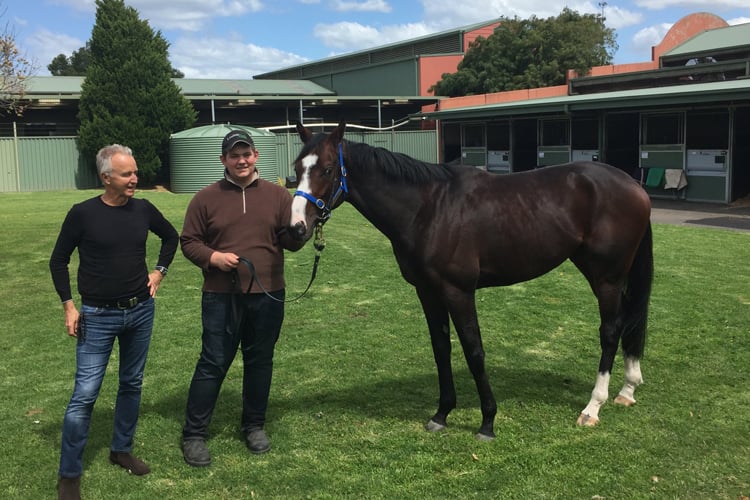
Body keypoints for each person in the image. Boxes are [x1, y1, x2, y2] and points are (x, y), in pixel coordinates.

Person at [50, 145, 178, 500]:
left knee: (131, 382)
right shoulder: (82, 214)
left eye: (135, 172)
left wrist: (159, 273)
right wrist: (69, 307)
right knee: (85, 394)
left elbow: (171, 237)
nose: (135, 179)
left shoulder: (143, 209)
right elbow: (58, 261)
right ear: (106, 177)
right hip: (97, 316)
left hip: (139, 311)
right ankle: (69, 474)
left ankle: (121, 449)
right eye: (127, 174)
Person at [180, 129, 303, 467]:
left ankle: (254, 425)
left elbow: (290, 243)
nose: (241, 160)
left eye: (246, 153)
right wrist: (213, 258)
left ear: (256, 156)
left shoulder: (280, 196)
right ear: (223, 160)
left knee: (260, 361)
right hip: (221, 296)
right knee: (213, 362)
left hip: (268, 293)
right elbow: (189, 241)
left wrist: (302, 232)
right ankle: (194, 434)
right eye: (234, 155)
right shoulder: (205, 198)